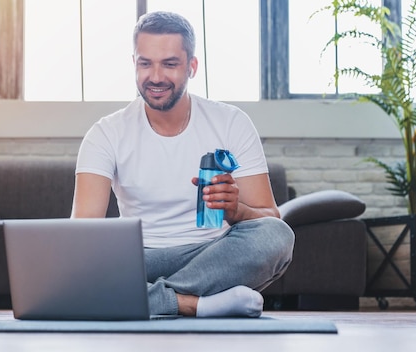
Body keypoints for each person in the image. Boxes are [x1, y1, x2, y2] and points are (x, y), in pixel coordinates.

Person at [72, 11, 294, 318]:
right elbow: (82, 234)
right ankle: (193, 303)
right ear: (134, 63)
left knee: (276, 236)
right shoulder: (106, 133)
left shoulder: (231, 123)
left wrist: (236, 210)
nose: (156, 76)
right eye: (145, 63)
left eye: (170, 64)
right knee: (70, 264)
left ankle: (142, 298)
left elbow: (270, 217)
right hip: (138, 258)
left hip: (212, 254)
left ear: (192, 67)